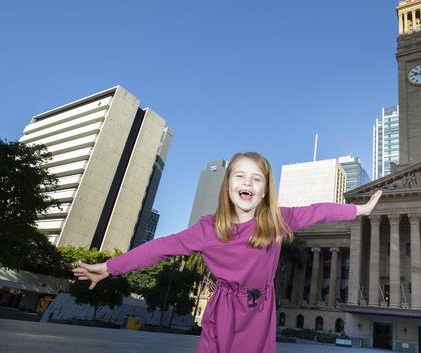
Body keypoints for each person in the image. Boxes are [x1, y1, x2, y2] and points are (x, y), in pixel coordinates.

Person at [73, 151, 382, 353]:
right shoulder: (209, 228)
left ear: (264, 190)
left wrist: (359, 209)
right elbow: (160, 247)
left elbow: (318, 211)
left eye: (256, 178)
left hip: (259, 309)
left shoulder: (276, 219)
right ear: (228, 186)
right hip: (223, 305)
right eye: (240, 176)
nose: (247, 182)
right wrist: (109, 267)